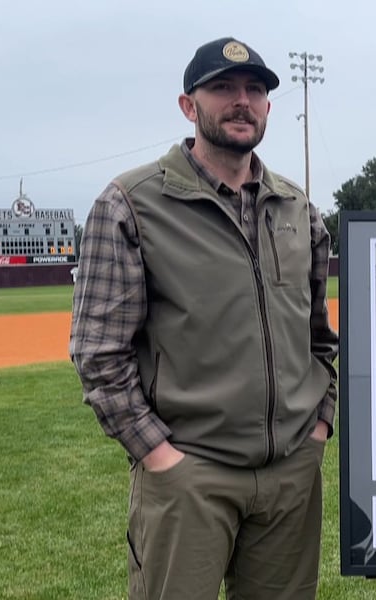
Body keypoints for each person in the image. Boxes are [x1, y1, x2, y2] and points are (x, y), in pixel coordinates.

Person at [69, 36, 339, 600]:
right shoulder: (132, 204)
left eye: (254, 90)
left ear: (268, 107)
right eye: (223, 88)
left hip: (290, 474)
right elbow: (99, 353)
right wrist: (160, 457)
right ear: (188, 105)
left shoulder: (297, 209)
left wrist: (319, 428)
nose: (242, 101)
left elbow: (319, 337)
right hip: (190, 472)